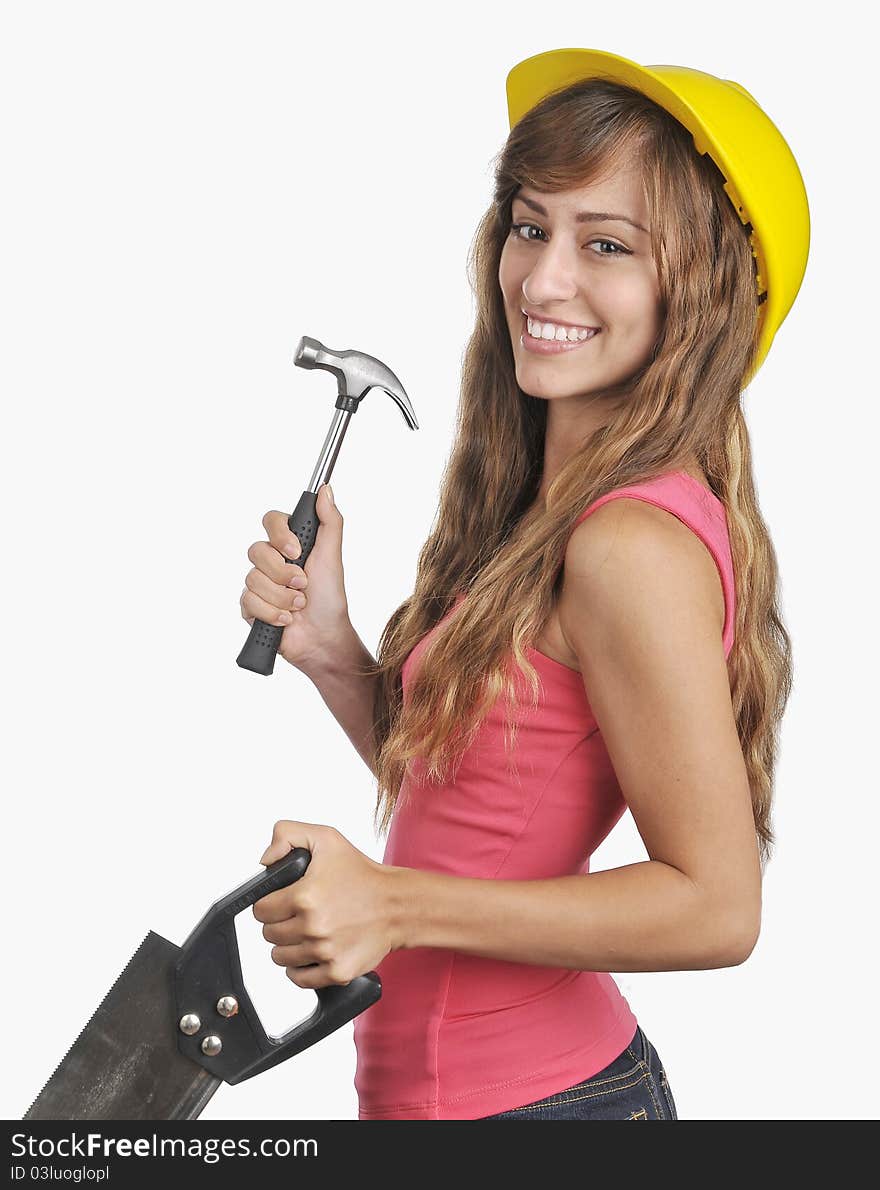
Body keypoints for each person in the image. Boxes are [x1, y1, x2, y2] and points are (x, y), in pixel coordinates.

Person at [243, 47, 810, 1120]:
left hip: (540, 1108)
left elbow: (718, 907)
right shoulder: (556, 514)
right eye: (529, 223)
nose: (542, 279)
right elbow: (487, 805)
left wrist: (390, 902)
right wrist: (332, 651)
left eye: (607, 245)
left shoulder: (626, 545)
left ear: (699, 295)